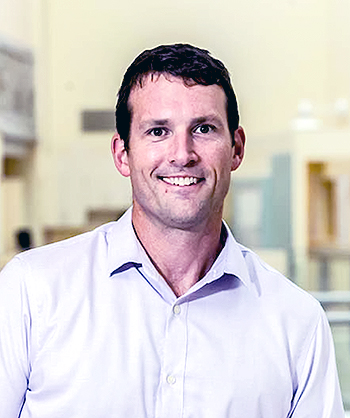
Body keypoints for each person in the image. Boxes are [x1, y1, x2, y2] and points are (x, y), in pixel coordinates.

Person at [0, 44, 344, 417]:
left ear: (236, 149)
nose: (182, 153)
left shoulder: (296, 322)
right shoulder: (32, 291)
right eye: (158, 131)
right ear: (122, 154)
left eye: (204, 128)